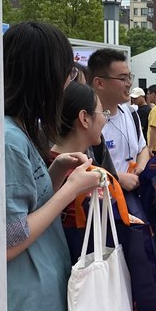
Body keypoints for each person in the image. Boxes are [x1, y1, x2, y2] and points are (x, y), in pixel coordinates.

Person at [2, 21, 104, 311]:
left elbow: (24, 205)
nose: (68, 82)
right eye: (65, 71)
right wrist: (69, 192)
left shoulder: (17, 131)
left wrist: (57, 172)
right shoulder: (8, 138)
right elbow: (7, 241)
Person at [49, 81, 109, 262]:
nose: (105, 119)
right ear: (84, 118)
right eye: (102, 113)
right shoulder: (54, 171)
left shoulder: (81, 165)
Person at [87, 48, 149, 191]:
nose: (129, 83)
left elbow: (142, 148)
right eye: (122, 79)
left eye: (129, 77)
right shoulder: (85, 121)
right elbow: (78, 168)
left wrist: (140, 168)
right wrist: (117, 178)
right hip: (101, 201)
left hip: (132, 197)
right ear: (99, 83)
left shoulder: (131, 113)